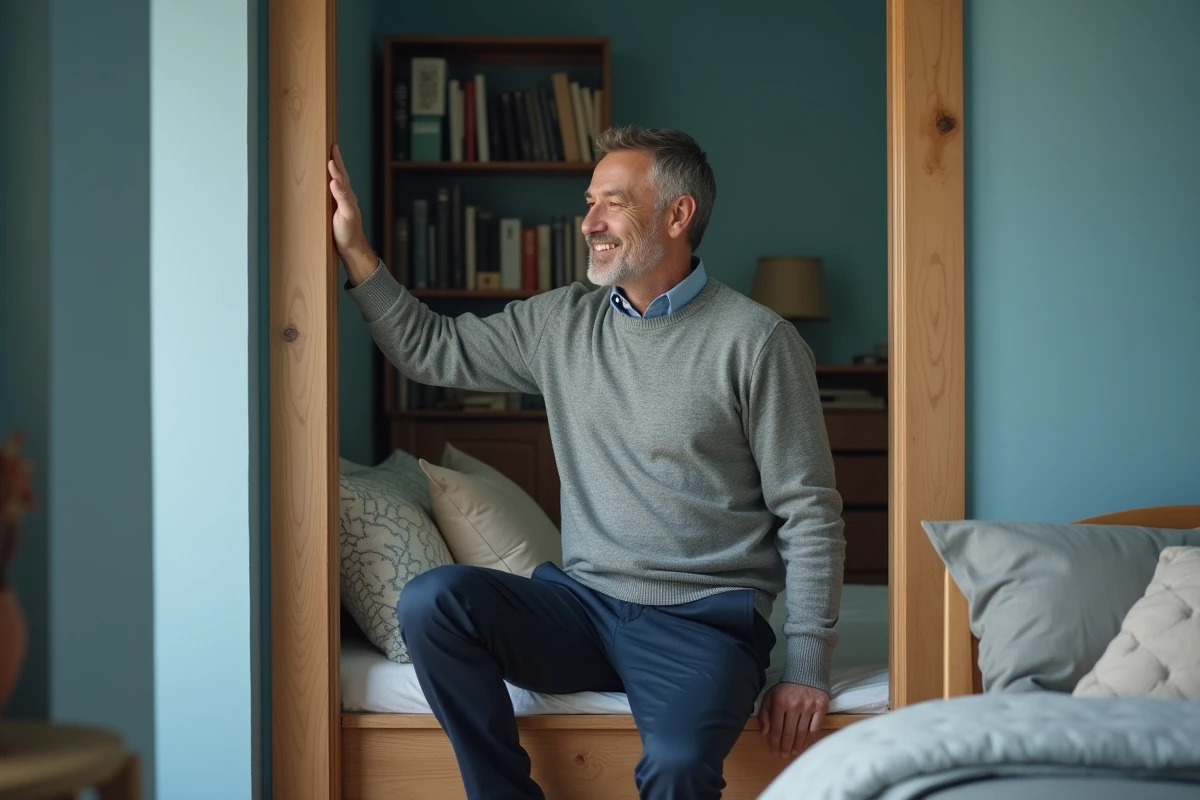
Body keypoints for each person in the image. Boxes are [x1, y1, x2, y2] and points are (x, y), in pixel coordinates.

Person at [328, 125, 845, 800]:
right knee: (433, 602)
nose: (589, 222)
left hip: (703, 623)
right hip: (585, 608)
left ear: (678, 214)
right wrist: (355, 248)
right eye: (589, 202)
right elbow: (431, 348)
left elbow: (809, 512)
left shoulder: (757, 342)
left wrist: (806, 664)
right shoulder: (560, 323)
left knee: (680, 766)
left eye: (613, 202)